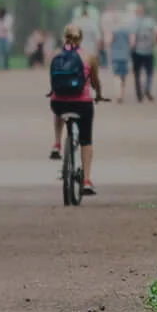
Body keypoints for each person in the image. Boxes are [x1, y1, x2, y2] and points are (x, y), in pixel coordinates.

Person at [46, 24, 100, 196]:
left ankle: (57, 143)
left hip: (59, 103)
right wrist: (98, 94)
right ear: (81, 38)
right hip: (82, 103)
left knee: (57, 107)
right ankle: (86, 180)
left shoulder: (55, 55)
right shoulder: (88, 57)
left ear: (64, 37)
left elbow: (53, 79)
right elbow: (95, 81)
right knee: (86, 139)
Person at [129, 4, 157, 102]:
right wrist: (156, 42)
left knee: (137, 74)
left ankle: (139, 95)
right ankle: (147, 88)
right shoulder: (150, 21)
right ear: (143, 12)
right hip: (149, 51)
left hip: (137, 52)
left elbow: (132, 39)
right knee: (149, 72)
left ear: (136, 13)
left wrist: (131, 50)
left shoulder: (133, 23)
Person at [108, 11, 135, 101]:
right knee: (123, 75)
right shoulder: (127, 30)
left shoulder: (112, 29)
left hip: (115, 55)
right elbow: (132, 42)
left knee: (116, 75)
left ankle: (118, 93)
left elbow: (109, 41)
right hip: (125, 55)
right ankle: (122, 93)